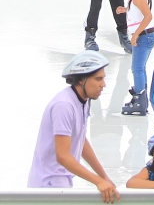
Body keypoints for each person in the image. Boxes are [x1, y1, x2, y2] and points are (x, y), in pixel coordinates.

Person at [27, 51, 119, 202]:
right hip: (48, 185)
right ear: (82, 80)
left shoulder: (84, 100)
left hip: (62, 181)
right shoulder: (64, 105)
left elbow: (80, 140)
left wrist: (104, 177)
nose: (103, 84)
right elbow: (63, 156)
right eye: (98, 79)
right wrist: (97, 181)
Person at [117, 0, 154, 117]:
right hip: (146, 36)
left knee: (137, 68)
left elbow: (148, 16)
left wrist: (135, 34)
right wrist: (125, 10)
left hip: (144, 36)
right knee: (140, 68)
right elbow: (139, 13)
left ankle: (139, 100)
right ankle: (141, 99)